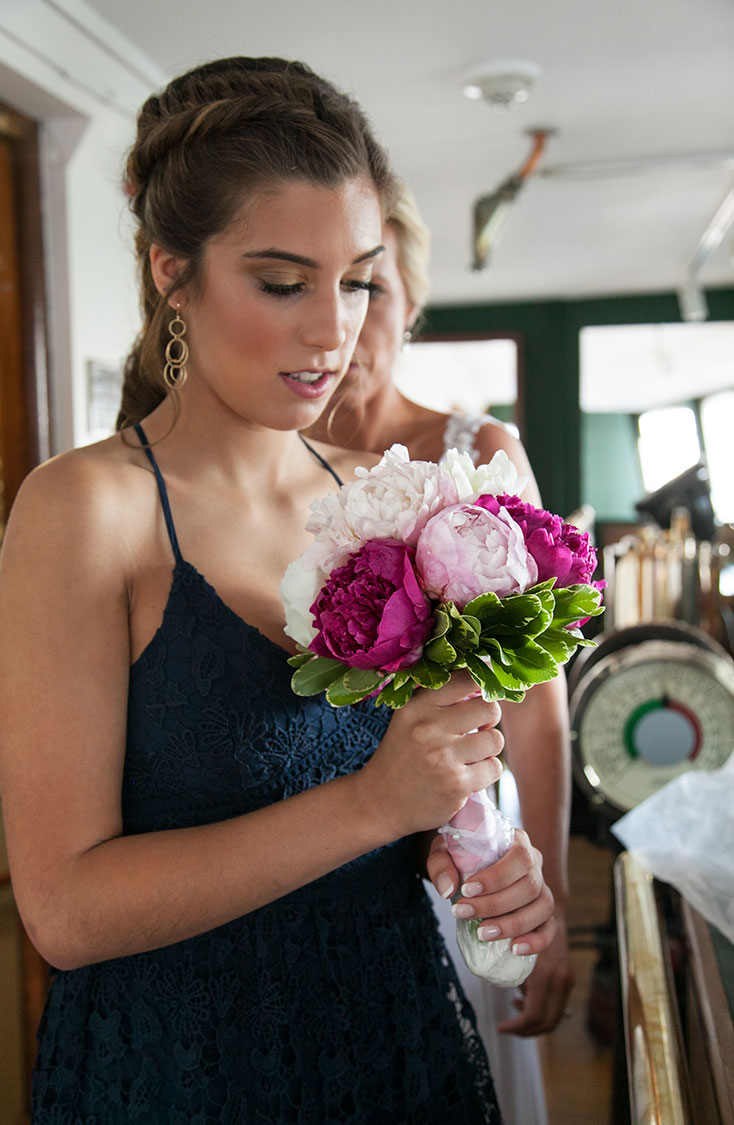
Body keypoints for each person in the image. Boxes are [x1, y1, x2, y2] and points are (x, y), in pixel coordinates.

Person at [0, 58, 557, 1123]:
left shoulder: (381, 507)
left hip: (391, 1043)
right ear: (174, 271)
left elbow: (411, 790)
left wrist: (484, 855)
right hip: (180, 1072)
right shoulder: (86, 511)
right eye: (283, 282)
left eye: (355, 280)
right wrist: (370, 806)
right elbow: (62, 910)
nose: (330, 330)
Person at [305, 183, 575, 1124]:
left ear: (411, 305)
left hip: (462, 833)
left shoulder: (474, 453)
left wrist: (556, 885)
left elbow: (537, 699)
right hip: (320, 836)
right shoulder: (270, 466)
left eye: (369, 289)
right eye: (321, 287)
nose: (343, 320)